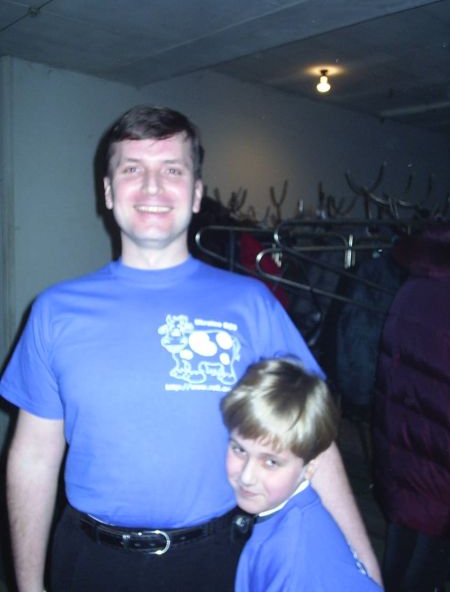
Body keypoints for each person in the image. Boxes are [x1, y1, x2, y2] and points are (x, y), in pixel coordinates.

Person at [0, 105, 381, 592]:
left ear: (197, 193)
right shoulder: (54, 311)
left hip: (217, 562)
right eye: (132, 169)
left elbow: (313, 440)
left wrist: (363, 565)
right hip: (90, 563)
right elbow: (33, 457)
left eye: (172, 170)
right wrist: (29, 586)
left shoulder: (251, 304)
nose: (152, 187)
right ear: (108, 192)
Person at [220, 358, 382, 592]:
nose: (246, 477)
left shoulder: (294, 561)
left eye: (271, 462)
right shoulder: (288, 515)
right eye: (239, 449)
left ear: (310, 467)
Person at [372, 224, 450, 592]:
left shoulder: (411, 288)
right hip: (441, 456)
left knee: (401, 544)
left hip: (402, 442)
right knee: (427, 560)